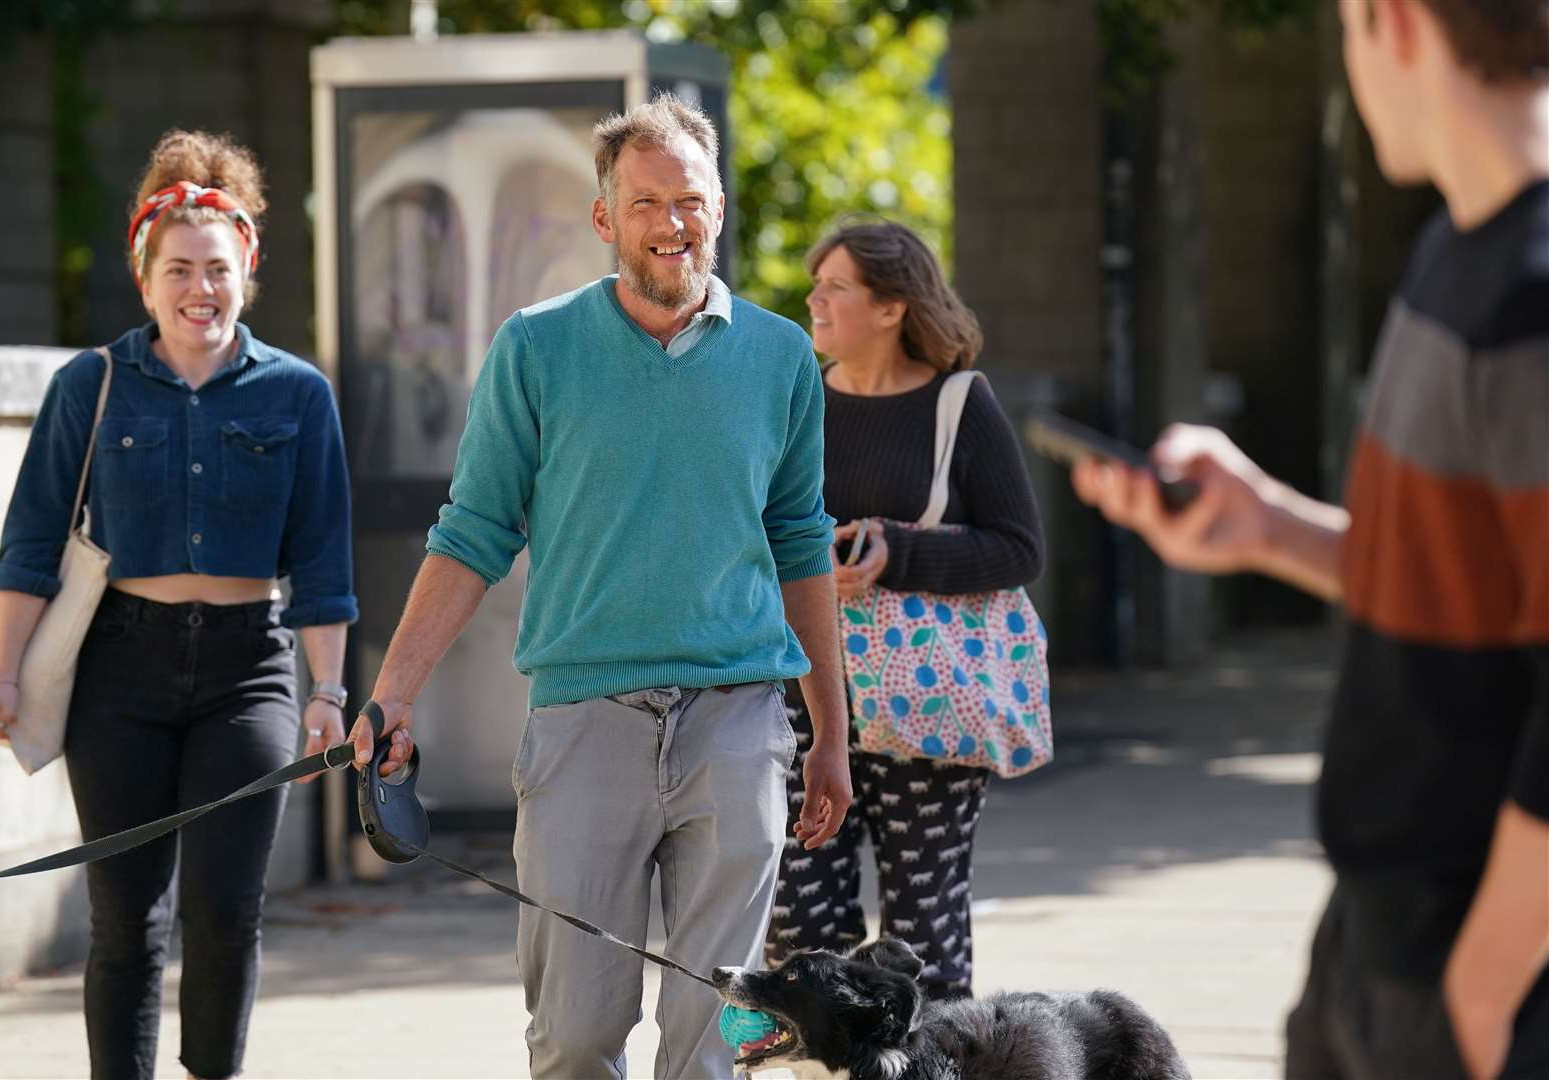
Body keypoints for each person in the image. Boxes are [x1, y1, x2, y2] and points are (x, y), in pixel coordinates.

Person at [1070, 3, 1548, 1077]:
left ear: (1401, 22)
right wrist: (1271, 528)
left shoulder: (1534, 295)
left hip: (1476, 970)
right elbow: (1470, 579)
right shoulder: (1457, 250)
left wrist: (1481, 990)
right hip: (1377, 937)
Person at [346, 93, 854, 1079]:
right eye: (648, 201)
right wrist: (393, 693)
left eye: (691, 200)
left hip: (738, 718)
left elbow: (801, 541)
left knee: (714, 1037)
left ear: (719, 209)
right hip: (584, 721)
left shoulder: (781, 356)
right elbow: (475, 530)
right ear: (605, 217)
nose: (673, 222)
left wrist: (831, 728)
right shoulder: (536, 349)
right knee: (574, 1033)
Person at [0, 129, 358, 1080]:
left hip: (248, 670)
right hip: (118, 668)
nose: (200, 289)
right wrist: (1, 672)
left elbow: (324, 562)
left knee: (225, 910)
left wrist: (329, 694)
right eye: (179, 268)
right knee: (126, 916)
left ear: (246, 273)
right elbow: (30, 544)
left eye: (218, 269)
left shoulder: (299, 395)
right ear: (145, 279)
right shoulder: (90, 387)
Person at [763, 221, 1046, 999]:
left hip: (929, 705)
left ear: (891, 307)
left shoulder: (962, 403)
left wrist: (899, 552)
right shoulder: (797, 403)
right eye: (816, 285)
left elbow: (1020, 549)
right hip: (799, 701)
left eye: (836, 288)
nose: (815, 300)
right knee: (798, 926)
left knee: (924, 934)